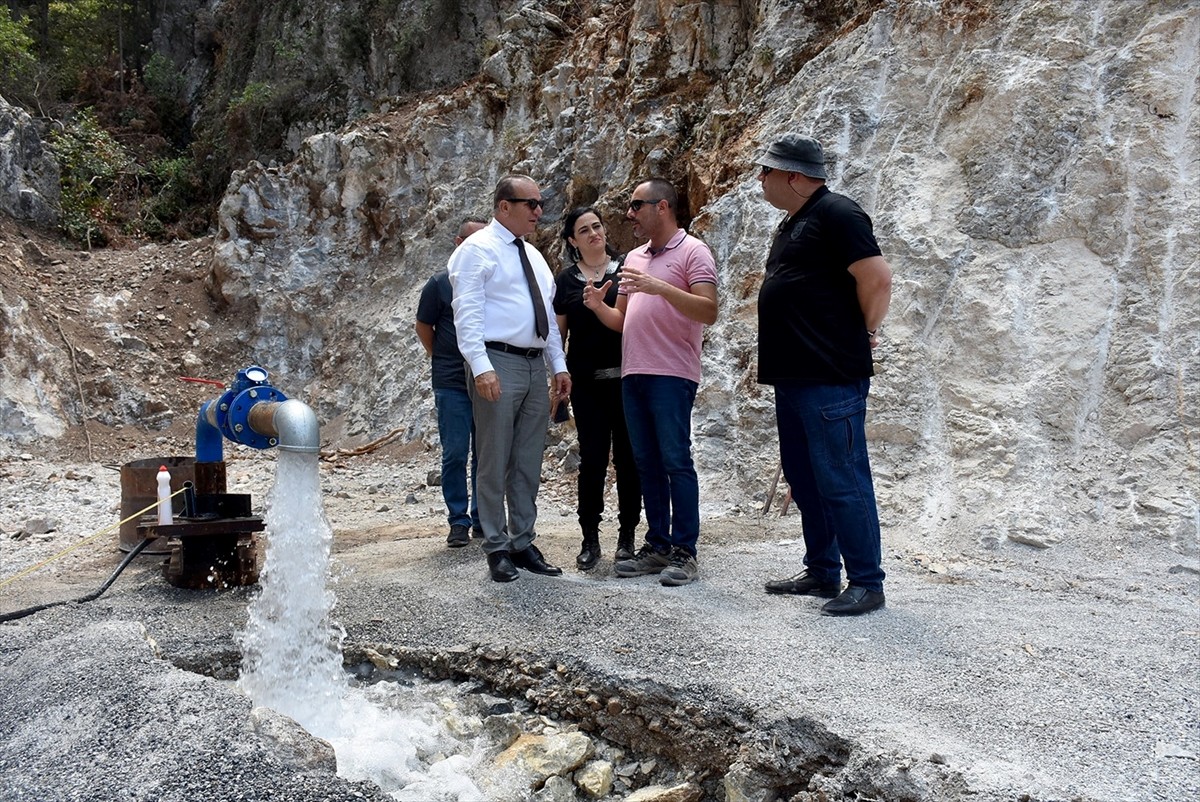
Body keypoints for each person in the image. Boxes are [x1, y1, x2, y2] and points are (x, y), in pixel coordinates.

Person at [755, 134, 893, 616]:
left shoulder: (839, 214)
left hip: (829, 374)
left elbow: (877, 278)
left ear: (793, 175)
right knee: (806, 476)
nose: (761, 179)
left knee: (841, 476)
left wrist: (866, 330)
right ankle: (822, 570)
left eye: (767, 171)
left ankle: (866, 582)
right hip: (794, 377)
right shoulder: (793, 222)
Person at [588, 178, 718, 587]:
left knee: (676, 461)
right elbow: (622, 320)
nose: (629, 214)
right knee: (646, 463)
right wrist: (596, 307)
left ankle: (685, 551)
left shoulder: (694, 250)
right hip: (634, 373)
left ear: (662, 207)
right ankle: (658, 545)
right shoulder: (634, 257)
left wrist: (660, 286)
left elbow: (709, 310)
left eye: (636, 205)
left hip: (673, 373)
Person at [448, 174, 572, 582]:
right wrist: (481, 367)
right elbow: (467, 312)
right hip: (498, 360)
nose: (539, 211)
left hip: (535, 363)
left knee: (527, 458)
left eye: (540, 203)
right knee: (494, 456)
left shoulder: (533, 256)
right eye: (531, 204)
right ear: (504, 206)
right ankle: (497, 546)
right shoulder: (476, 250)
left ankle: (523, 540)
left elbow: (548, 319)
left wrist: (559, 366)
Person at [553, 206, 642, 571]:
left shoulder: (628, 270)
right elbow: (558, 336)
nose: (594, 233)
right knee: (592, 461)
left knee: (628, 460)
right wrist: (557, 377)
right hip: (586, 384)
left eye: (597, 226)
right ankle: (589, 538)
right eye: (584, 230)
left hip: (627, 378)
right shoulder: (565, 281)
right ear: (573, 240)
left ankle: (627, 538)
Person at [415, 217, 487, 548]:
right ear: (458, 243)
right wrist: (443, 359)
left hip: (487, 380)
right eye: (471, 241)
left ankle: (481, 516)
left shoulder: (492, 282)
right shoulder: (439, 284)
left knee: (486, 454)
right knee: (456, 453)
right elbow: (424, 327)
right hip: (452, 383)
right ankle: (458, 520)